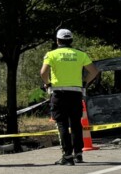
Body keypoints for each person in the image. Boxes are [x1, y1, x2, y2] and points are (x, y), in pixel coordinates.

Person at [40, 29, 99, 165]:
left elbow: (43, 72)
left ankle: (67, 156)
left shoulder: (51, 54)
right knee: (76, 124)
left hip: (59, 93)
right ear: (71, 40)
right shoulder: (80, 54)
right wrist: (84, 83)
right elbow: (94, 71)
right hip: (75, 93)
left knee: (62, 124)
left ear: (57, 40)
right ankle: (78, 154)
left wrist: (47, 83)